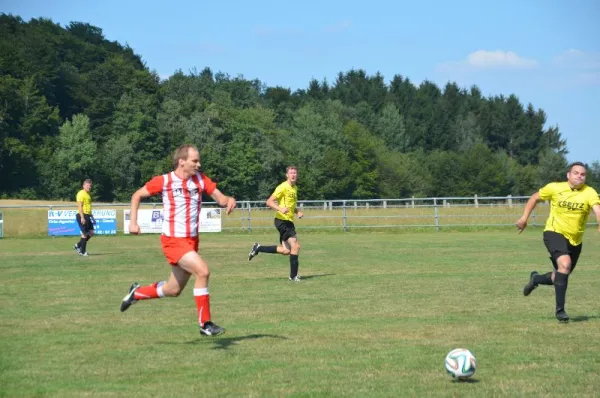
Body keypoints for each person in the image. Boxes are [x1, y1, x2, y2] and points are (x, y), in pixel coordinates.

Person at [120, 144, 237, 336]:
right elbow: (137, 195)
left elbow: (221, 199)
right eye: (195, 161)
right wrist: (133, 223)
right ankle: (205, 324)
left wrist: (230, 200)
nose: (199, 165)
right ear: (182, 162)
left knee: (173, 289)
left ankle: (137, 293)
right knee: (203, 271)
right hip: (173, 241)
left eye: (199, 160)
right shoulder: (165, 181)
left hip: (191, 242)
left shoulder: (200, 179)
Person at [516, 162, 600, 322]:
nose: (579, 176)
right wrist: (524, 218)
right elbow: (535, 198)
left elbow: (597, 209)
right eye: (576, 173)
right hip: (554, 232)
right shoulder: (555, 188)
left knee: (560, 275)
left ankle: (536, 279)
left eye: (583, 174)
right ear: (568, 175)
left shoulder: (589, 192)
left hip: (575, 240)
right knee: (565, 264)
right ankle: (560, 312)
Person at [248, 165, 304, 281]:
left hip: (288, 221)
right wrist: (280, 209)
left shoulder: (295, 188)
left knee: (286, 250)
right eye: (291, 173)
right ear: (287, 175)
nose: (293, 175)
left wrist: (297, 211)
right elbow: (269, 202)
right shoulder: (282, 187)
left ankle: (258, 248)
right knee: (296, 246)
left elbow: (291, 206)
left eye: (295, 173)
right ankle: (293, 276)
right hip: (282, 221)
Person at [74, 179, 94, 256]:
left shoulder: (88, 194)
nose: (89, 187)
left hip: (88, 215)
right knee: (85, 234)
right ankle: (83, 251)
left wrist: (92, 217)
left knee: (91, 233)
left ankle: (78, 245)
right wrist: (82, 217)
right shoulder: (81, 193)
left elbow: (88, 207)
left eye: (90, 185)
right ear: (83, 186)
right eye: (88, 185)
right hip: (82, 215)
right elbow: (80, 206)